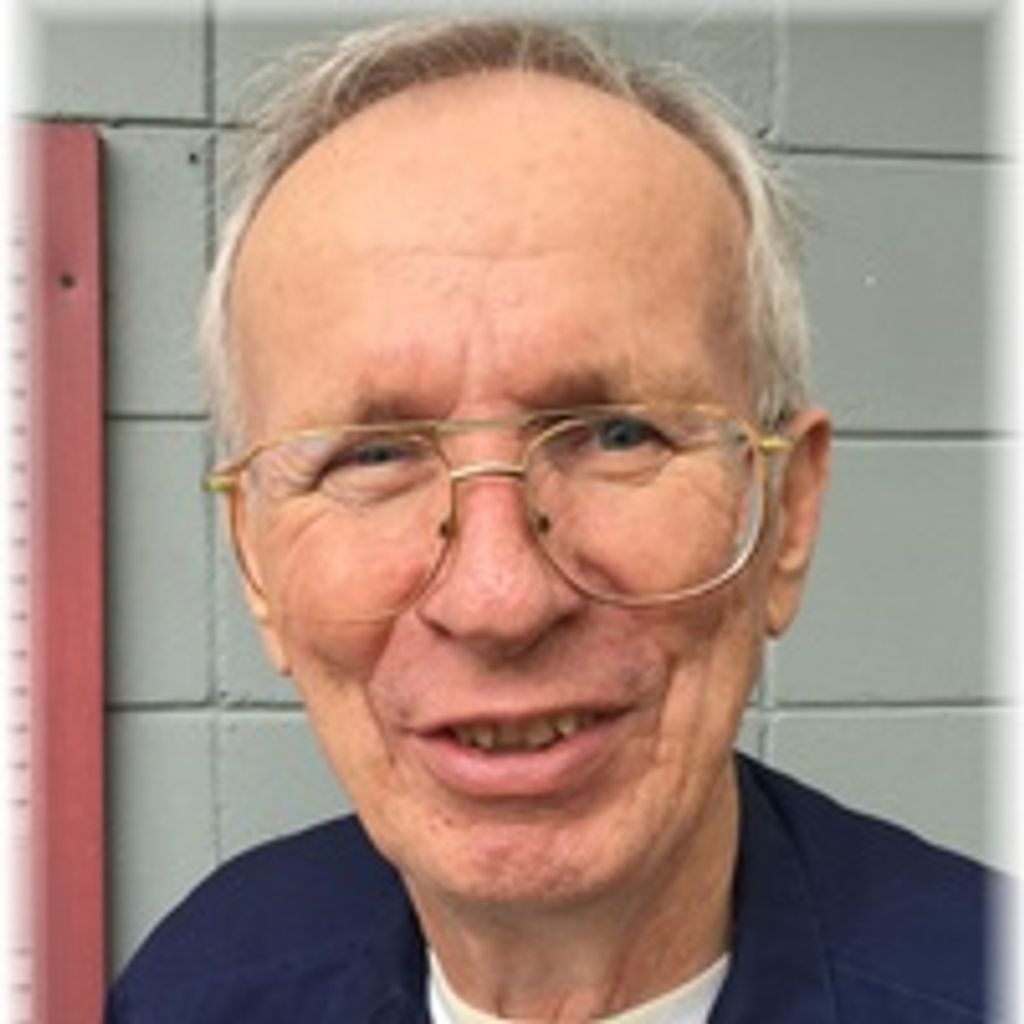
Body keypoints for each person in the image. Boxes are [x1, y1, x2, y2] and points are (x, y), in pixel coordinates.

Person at [108, 17, 993, 1023]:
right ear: (256, 566)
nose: (499, 598)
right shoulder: (197, 987)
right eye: (375, 455)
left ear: (785, 512)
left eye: (617, 435)